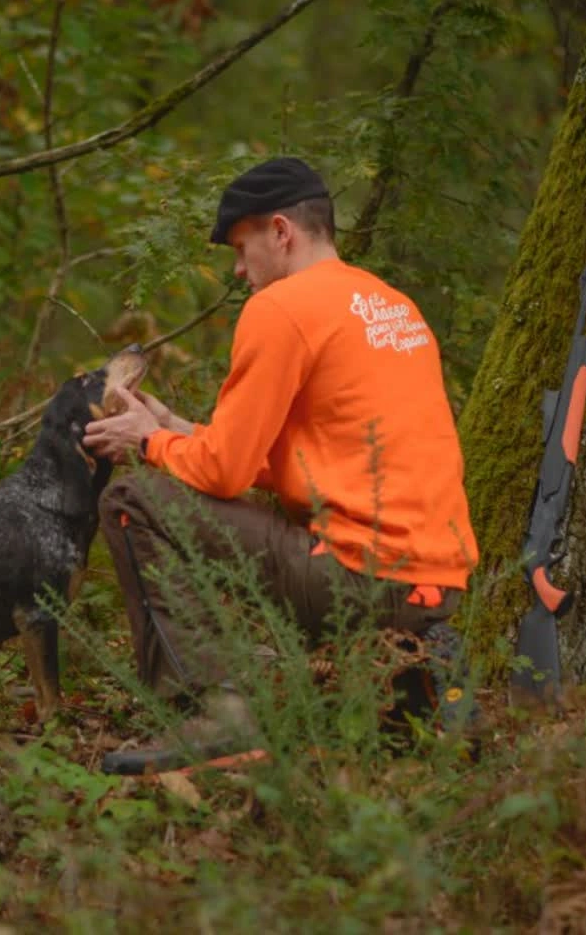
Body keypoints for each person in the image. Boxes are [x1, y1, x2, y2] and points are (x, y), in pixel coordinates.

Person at [83, 156, 477, 772]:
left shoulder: (282, 308)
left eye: (241, 250)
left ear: (281, 232)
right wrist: (174, 429)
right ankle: (415, 691)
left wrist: (144, 444)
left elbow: (224, 474)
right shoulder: (391, 306)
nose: (240, 272)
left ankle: (215, 710)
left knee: (131, 502)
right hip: (437, 585)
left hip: (357, 577)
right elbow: (318, 456)